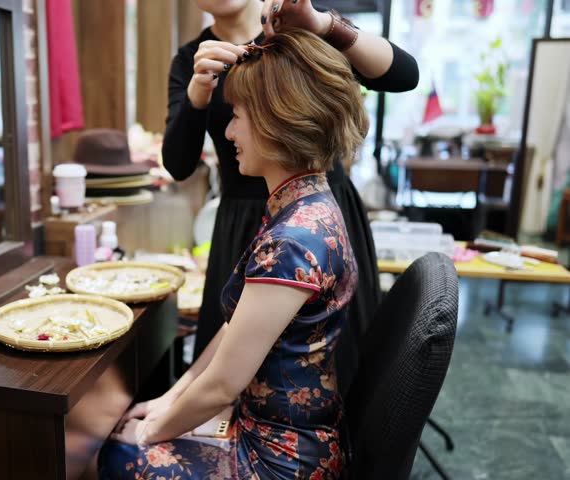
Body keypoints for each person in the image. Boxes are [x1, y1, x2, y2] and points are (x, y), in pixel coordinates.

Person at [99, 29, 367, 479]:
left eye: (237, 115)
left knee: (111, 456)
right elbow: (231, 333)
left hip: (279, 461)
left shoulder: (294, 239)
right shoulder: (304, 204)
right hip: (283, 435)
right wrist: (168, 400)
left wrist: (149, 435)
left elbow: (223, 386)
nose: (226, 131)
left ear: (274, 120)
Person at [164, 0, 418, 392]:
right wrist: (198, 92)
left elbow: (405, 74)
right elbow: (178, 164)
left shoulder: (302, 31)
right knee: (233, 371)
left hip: (319, 211)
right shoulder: (191, 61)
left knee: (335, 365)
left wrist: (322, 25)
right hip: (243, 229)